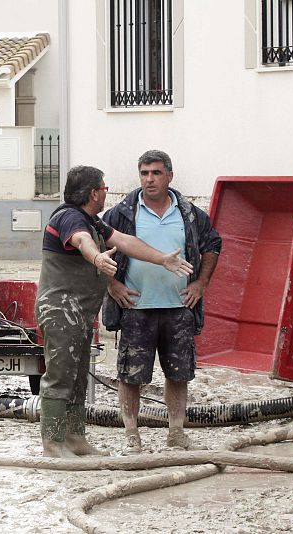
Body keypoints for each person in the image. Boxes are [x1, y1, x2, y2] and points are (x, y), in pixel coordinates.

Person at [36, 165, 193, 458]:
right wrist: (97, 258)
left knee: (79, 375)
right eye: (104, 189)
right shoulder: (69, 217)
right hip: (61, 310)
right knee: (60, 376)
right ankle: (53, 443)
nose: (105, 194)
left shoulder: (92, 221)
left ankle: (75, 438)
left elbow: (125, 241)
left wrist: (162, 259)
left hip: (80, 313)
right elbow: (81, 241)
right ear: (94, 193)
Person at [102, 150, 221, 453]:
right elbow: (93, 249)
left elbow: (212, 244)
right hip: (134, 307)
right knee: (130, 375)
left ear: (170, 175)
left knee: (178, 374)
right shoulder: (122, 214)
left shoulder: (190, 214)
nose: (149, 179)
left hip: (179, 306)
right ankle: (131, 434)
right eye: (144, 173)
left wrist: (201, 283)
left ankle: (176, 432)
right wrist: (112, 284)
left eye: (156, 173)